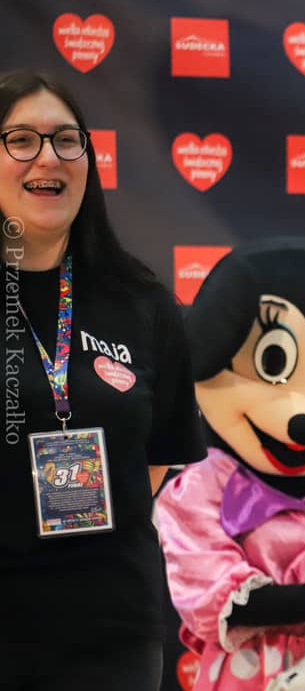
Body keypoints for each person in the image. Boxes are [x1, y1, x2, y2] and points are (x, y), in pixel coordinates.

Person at [0, 69, 206, 690]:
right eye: (21, 140)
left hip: (112, 629)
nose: (48, 157)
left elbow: (155, 459)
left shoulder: (143, 302)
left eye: (67, 140)